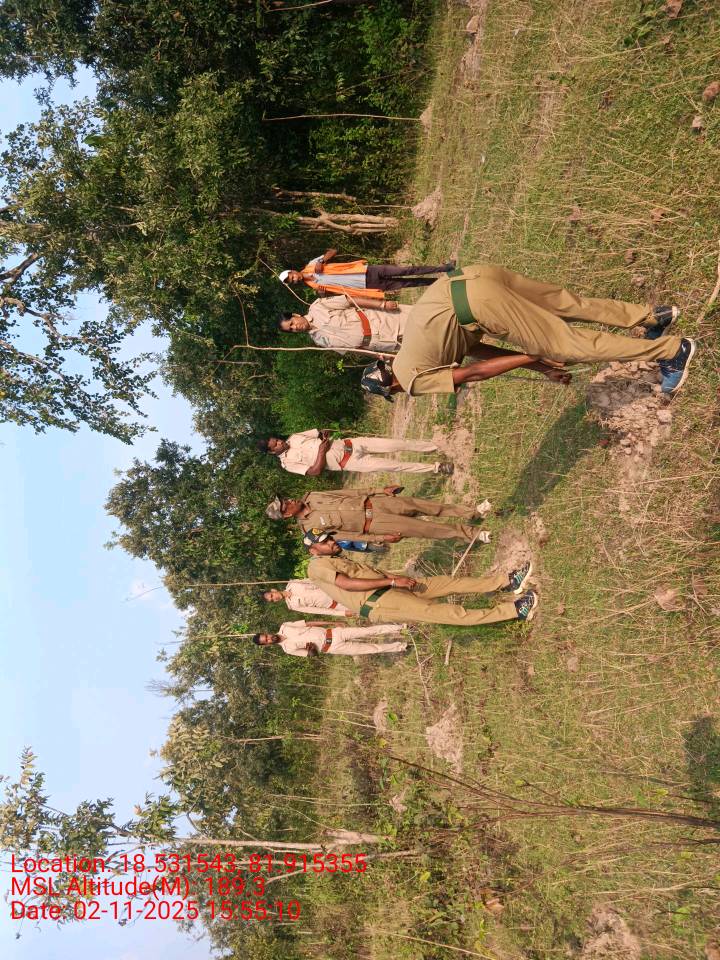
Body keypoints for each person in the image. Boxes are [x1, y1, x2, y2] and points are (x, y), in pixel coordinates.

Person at [359, 264, 695, 399]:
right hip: (472, 277)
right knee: (565, 303)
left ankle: (673, 352)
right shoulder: (411, 349)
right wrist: (540, 366)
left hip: (478, 304)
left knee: (565, 345)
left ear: (393, 386)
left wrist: (537, 353)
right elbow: (477, 351)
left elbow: (474, 373)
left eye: (394, 393)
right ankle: (653, 316)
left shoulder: (413, 381)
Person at [306, 539, 537, 627]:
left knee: (448, 583)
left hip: (392, 588)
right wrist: (393, 581)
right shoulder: (316, 566)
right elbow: (347, 584)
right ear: (313, 550)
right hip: (380, 602)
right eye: (324, 542)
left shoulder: (331, 558)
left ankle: (507, 582)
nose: (331, 541)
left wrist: (393, 582)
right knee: (449, 613)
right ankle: (516, 611)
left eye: (329, 537)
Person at [265, 487, 492, 544]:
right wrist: (380, 538)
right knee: (425, 529)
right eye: (286, 505)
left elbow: (349, 492)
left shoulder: (313, 495)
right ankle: (473, 534)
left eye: (286, 499)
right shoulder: (310, 530)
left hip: (375, 503)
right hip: (375, 523)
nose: (290, 501)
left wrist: (378, 490)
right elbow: (347, 537)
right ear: (287, 516)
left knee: (426, 506)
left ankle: (473, 512)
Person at [259, 429, 453, 477]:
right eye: (275, 445)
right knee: (395, 466)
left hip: (352, 443)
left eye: (277, 439)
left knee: (397, 444)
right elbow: (315, 471)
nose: (280, 442)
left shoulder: (294, 437)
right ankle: (436, 468)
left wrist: (325, 435)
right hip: (349, 462)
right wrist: (321, 451)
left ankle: (435, 446)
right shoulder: (287, 464)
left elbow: (320, 432)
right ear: (271, 452)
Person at [277, 248, 455, 300]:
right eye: (291, 281)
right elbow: (339, 296)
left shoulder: (312, 264)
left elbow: (333, 251)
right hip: (367, 286)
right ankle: (444, 281)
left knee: (407, 270)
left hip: (366, 271)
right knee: (408, 283)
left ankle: (444, 268)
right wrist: (324, 295)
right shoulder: (315, 287)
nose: (294, 279)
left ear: (293, 271)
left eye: (291, 276)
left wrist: (322, 260)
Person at [278, 296, 410, 355]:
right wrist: (376, 355)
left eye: (292, 323)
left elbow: (350, 300)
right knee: (417, 346)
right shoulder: (319, 341)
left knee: (419, 320)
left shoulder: (318, 307)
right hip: (380, 343)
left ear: (295, 315)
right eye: (291, 329)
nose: (295, 327)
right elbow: (353, 350)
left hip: (382, 321)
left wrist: (382, 304)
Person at [253, 620, 408, 657]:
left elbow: (309, 623)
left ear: (266, 633)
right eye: (266, 641)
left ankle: (401, 627)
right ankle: (401, 646)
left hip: (334, 633)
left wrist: (333, 623)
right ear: (266, 645)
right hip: (332, 648)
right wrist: (311, 650)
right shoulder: (287, 649)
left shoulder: (285, 626)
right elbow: (311, 655)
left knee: (368, 631)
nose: (269, 639)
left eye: (266, 636)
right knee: (371, 649)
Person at [262, 579, 352, 617]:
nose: (274, 598)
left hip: (338, 590)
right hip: (337, 605)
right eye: (272, 600)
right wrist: (342, 613)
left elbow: (315, 582)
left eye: (272, 595)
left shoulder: (293, 584)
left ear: (273, 590)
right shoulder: (293, 606)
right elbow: (317, 611)